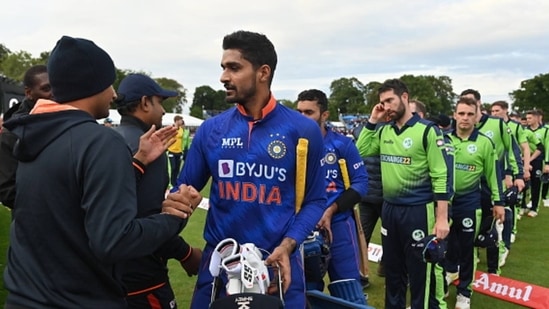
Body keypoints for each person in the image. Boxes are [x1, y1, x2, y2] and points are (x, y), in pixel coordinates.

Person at [2, 35, 200, 309]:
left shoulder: (34, 135)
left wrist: (138, 162)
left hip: (27, 297)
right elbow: (114, 239)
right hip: (78, 300)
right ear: (92, 84)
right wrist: (173, 218)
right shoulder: (99, 141)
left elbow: (74, 203)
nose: (114, 94)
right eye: (109, 83)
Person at [174, 30, 327, 309]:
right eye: (223, 68)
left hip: (277, 266)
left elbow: (317, 200)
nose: (223, 77)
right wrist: (176, 200)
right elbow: (184, 189)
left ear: (263, 72)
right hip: (219, 268)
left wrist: (288, 245)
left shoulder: (303, 130)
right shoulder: (211, 130)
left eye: (234, 67)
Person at [356, 79, 452, 309]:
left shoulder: (428, 130)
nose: (386, 106)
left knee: (420, 271)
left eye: (390, 100)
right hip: (390, 209)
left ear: (405, 98)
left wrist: (441, 218)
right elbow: (360, 151)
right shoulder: (384, 131)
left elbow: (441, 176)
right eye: (382, 102)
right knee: (393, 270)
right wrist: (372, 121)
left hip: (419, 210)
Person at [114, 73, 202, 308]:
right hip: (143, 279)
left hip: (105, 278)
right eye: (159, 102)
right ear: (144, 103)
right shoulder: (149, 147)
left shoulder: (107, 139)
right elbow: (146, 221)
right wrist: (185, 252)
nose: (163, 111)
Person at [296, 89, 369, 303]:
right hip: (301, 229)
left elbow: (361, 183)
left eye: (308, 112)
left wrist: (331, 210)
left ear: (324, 115)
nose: (302, 118)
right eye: (299, 112)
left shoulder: (341, 144)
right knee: (305, 296)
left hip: (338, 226)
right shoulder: (289, 145)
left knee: (349, 294)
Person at [444, 97, 504, 309]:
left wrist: (499, 202)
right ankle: (448, 273)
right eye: (461, 113)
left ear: (477, 116)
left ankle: (464, 292)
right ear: (455, 115)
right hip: (444, 202)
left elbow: (493, 175)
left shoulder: (484, 143)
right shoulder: (443, 139)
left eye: (470, 114)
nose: (465, 118)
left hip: (470, 201)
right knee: (444, 242)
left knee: (468, 248)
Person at [460, 89, 524, 275]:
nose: (467, 112)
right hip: (470, 186)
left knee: (491, 225)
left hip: (492, 183)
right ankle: (469, 262)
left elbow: (512, 149)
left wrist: (516, 173)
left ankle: (493, 266)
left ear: (479, 104)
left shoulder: (497, 124)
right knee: (470, 226)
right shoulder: (463, 128)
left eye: (471, 104)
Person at [0, 64, 53, 209]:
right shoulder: (11, 133)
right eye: (46, 89)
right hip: (33, 222)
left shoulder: (63, 119)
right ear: (29, 93)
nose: (53, 93)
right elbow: (6, 190)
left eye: (56, 87)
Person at [524, 110, 549, 216]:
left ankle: (534, 208)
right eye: (527, 118)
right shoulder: (524, 130)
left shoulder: (545, 130)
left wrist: (547, 163)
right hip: (526, 160)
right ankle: (523, 206)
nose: (527, 120)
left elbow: (547, 147)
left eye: (530, 118)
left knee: (536, 184)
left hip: (539, 160)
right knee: (524, 184)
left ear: (537, 118)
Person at [167, 115, 190, 188]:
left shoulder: (181, 129)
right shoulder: (171, 128)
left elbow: (183, 140)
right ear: (177, 120)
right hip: (171, 150)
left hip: (179, 151)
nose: (182, 122)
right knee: (173, 167)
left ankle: (174, 183)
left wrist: (183, 150)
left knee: (177, 168)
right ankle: (171, 183)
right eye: (180, 120)